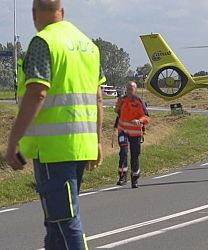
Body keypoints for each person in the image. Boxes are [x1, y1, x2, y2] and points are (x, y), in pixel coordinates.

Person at [6, 0, 105, 249]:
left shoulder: (44, 42)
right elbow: (98, 97)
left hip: (55, 150)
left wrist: (14, 140)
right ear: (62, 12)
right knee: (55, 223)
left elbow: (37, 93)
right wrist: (98, 141)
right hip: (82, 146)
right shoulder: (89, 46)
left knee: (65, 221)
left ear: (33, 14)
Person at [115, 81, 149, 188]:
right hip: (123, 131)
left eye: (131, 88)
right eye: (128, 88)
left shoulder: (140, 102)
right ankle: (122, 176)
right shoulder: (122, 100)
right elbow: (116, 110)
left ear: (136, 89)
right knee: (123, 151)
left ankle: (135, 178)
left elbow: (147, 117)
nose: (129, 91)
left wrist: (139, 120)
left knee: (135, 156)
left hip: (135, 133)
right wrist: (119, 106)